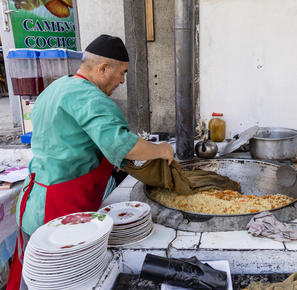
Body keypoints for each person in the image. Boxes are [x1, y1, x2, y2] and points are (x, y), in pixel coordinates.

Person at [7, 34, 174, 290]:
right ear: (103, 68)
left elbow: (70, 139)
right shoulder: (91, 98)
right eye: (122, 73)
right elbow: (124, 145)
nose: (122, 80)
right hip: (61, 208)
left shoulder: (57, 88)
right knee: (64, 281)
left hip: (34, 202)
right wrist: (161, 150)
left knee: (34, 277)